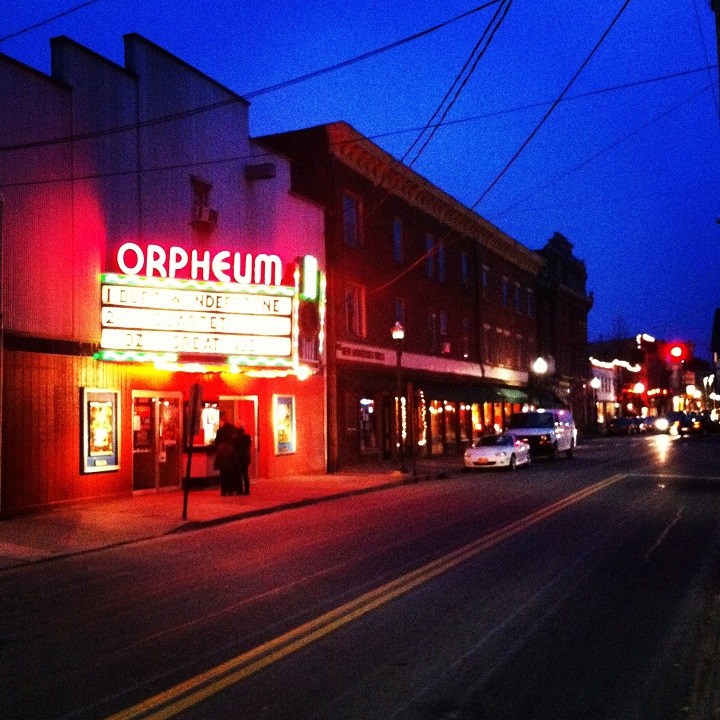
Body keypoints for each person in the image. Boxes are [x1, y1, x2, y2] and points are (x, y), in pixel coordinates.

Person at [213, 412, 238, 496]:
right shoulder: (233, 430)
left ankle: (223, 491)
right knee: (230, 474)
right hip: (230, 458)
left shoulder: (220, 431)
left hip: (222, 458)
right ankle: (230, 490)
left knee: (223, 474)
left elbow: (216, 443)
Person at [233, 426, 252, 495]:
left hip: (238, 457)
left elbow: (233, 445)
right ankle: (247, 490)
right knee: (245, 473)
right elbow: (249, 445)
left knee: (239, 474)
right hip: (246, 457)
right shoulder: (247, 437)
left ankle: (240, 490)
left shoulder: (235, 438)